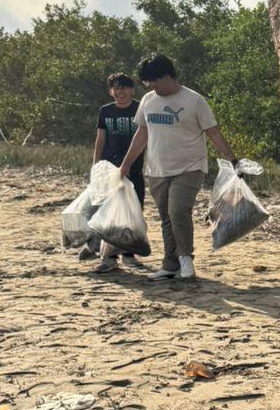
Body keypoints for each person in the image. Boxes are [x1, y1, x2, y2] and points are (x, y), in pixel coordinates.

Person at [118, 54, 236, 281]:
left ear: (168, 75)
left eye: (155, 80)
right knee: (165, 218)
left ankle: (185, 259)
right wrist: (125, 165)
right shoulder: (148, 101)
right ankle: (169, 264)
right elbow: (141, 135)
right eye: (147, 82)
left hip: (189, 167)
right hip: (157, 169)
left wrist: (232, 160)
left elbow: (214, 132)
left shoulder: (194, 100)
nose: (152, 86)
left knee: (178, 211)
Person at [90, 72, 147, 273]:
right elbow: (100, 139)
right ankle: (109, 257)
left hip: (134, 169)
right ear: (110, 91)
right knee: (110, 214)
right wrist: (96, 166)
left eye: (124, 87)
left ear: (132, 90)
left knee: (133, 212)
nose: (120, 91)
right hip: (109, 169)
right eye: (116, 87)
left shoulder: (140, 108)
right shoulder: (105, 111)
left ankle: (129, 254)